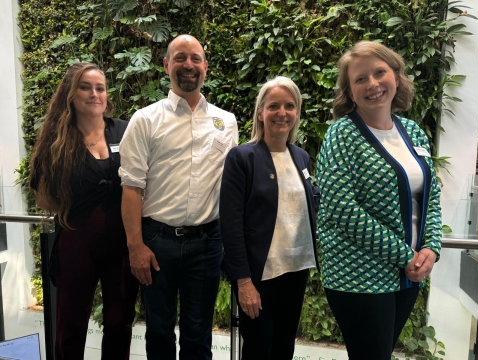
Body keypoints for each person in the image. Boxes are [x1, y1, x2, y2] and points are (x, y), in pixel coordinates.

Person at [317, 40, 442, 359]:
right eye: (360, 79)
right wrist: (405, 256)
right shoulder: (341, 135)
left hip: (407, 276)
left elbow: (432, 193)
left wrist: (431, 248)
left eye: (380, 72)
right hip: (358, 275)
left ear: (396, 77)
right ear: (350, 91)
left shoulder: (413, 132)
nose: (372, 84)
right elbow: (342, 211)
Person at [118, 34, 238, 359]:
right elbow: (131, 188)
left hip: (207, 242)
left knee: (199, 334)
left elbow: (232, 187)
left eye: (195, 58)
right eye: (180, 57)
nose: (189, 65)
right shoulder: (145, 120)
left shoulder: (226, 123)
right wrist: (135, 247)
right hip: (157, 243)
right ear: (166, 65)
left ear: (205, 66)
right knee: (158, 331)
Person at [29, 62, 139, 360]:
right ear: (70, 94)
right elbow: (42, 195)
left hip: (122, 244)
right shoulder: (57, 140)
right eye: (85, 87)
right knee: (71, 324)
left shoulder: (125, 131)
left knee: (120, 322)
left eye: (100, 88)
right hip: (77, 243)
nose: (94, 94)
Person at [220, 76, 319, 360]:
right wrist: (243, 281)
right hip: (259, 275)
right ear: (260, 112)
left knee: (284, 347)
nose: (282, 113)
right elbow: (231, 224)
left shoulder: (301, 157)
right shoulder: (242, 158)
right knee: (258, 349)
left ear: (297, 113)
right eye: (274, 106)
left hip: (296, 270)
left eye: (290, 106)